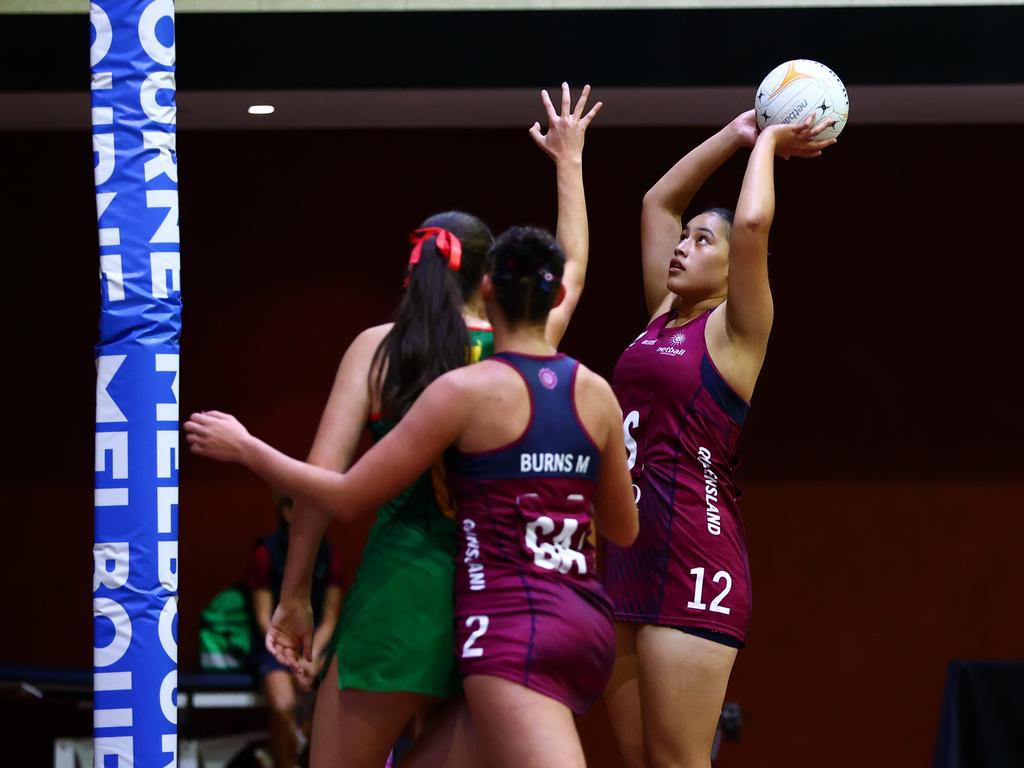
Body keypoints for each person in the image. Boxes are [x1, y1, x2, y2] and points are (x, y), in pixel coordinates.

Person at [197, 84, 601, 768]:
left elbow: (321, 490)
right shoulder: (513, 357)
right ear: (489, 280)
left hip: (396, 594)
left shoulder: (376, 350)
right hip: (486, 604)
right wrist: (569, 160)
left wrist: (295, 595)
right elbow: (576, 267)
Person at [600, 110, 837, 768]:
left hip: (696, 557)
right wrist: (733, 135)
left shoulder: (736, 331)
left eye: (703, 241)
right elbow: (657, 202)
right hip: (628, 555)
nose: (682, 247)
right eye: (686, 239)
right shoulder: (661, 313)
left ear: (736, 270)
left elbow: (754, 224)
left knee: (679, 761)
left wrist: (767, 144)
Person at [248, 496, 344, 768]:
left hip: (314, 646)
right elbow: (263, 618)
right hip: (275, 645)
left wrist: (309, 657)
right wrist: (289, 656)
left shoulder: (330, 556)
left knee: (338, 697)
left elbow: (330, 618)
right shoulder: (265, 554)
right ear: (287, 513)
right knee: (283, 705)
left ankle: (301, 739)